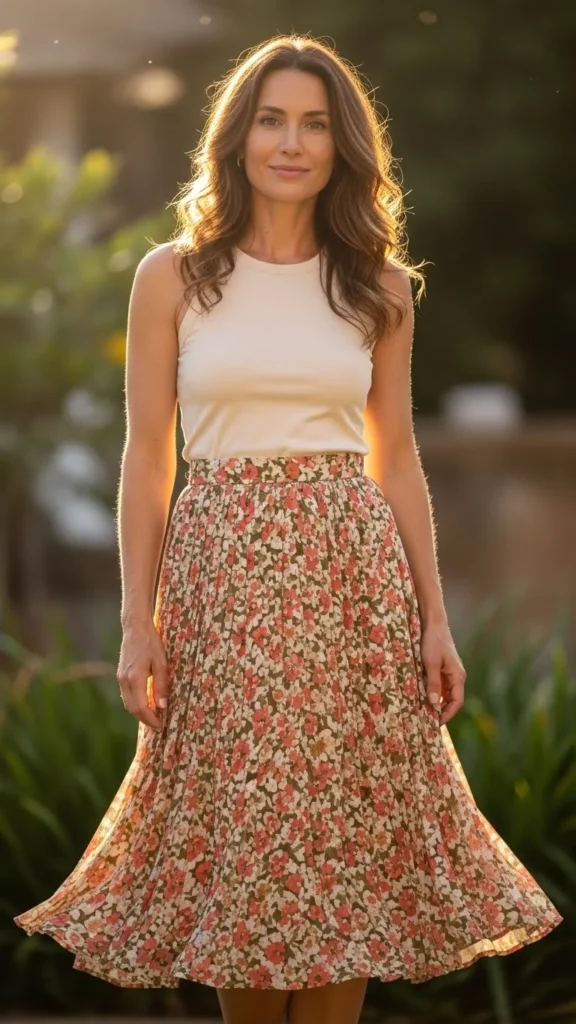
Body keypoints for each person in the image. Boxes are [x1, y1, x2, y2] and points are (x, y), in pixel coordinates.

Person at [14, 33, 562, 1024]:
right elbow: (148, 459)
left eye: (314, 123)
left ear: (341, 145)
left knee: (339, 844)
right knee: (249, 839)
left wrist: (433, 618)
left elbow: (396, 457)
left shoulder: (378, 287)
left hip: (352, 584)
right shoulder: (172, 278)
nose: (292, 142)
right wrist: (140, 621)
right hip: (222, 576)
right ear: (238, 136)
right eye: (272, 119)